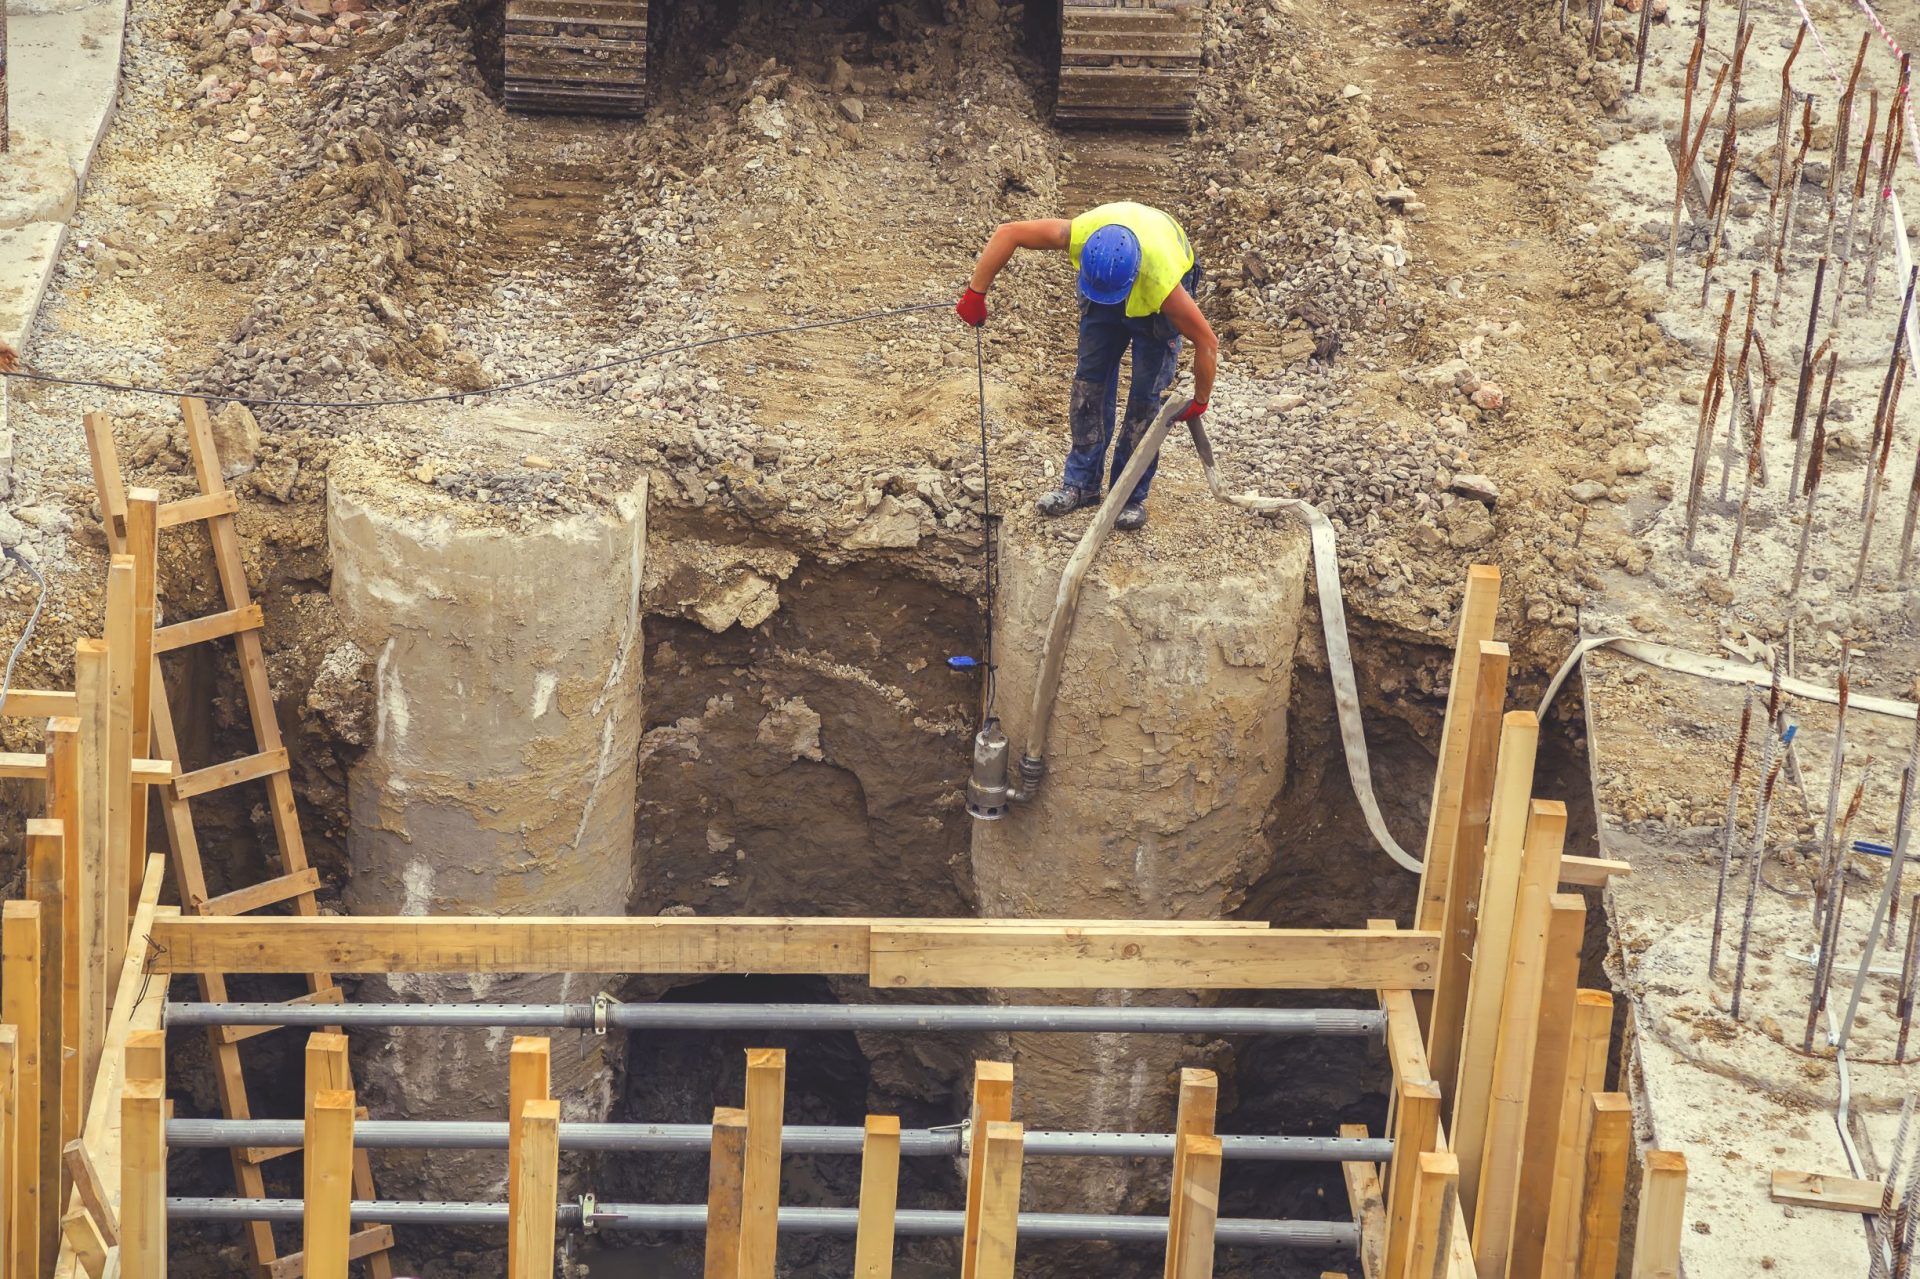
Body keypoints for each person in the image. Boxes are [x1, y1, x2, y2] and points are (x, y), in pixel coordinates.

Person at [956, 201, 1216, 531]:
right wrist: (975, 293)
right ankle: (1081, 485)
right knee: (1088, 387)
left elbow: (1207, 342)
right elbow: (1009, 233)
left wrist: (1200, 400)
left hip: (1155, 289)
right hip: (1106, 279)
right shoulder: (1078, 234)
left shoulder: (1164, 285)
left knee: (1144, 400)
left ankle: (1129, 495)